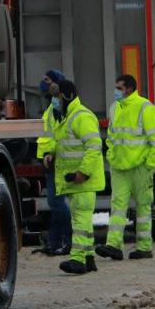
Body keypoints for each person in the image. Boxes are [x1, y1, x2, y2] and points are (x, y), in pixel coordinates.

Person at [98, 74, 155, 262]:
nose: (116, 91)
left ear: (129, 88)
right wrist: (111, 156)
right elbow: (111, 137)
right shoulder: (115, 108)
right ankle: (113, 246)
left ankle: (144, 247)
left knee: (143, 207)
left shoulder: (145, 108)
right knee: (117, 208)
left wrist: (149, 166)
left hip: (140, 168)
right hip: (119, 167)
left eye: (119, 88)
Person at [51, 79, 105, 276]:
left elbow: (94, 146)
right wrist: (51, 153)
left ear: (66, 96)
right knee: (82, 220)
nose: (54, 101)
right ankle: (89, 257)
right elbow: (65, 145)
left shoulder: (81, 116)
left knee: (80, 221)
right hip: (74, 180)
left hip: (83, 180)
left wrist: (83, 172)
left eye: (56, 97)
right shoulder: (68, 117)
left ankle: (77, 259)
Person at [36, 69, 72, 257]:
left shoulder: (57, 108)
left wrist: (51, 154)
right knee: (55, 203)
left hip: (57, 161)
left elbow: (57, 135)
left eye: (47, 80)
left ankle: (67, 239)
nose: (43, 83)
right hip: (51, 161)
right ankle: (54, 241)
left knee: (56, 203)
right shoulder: (51, 107)